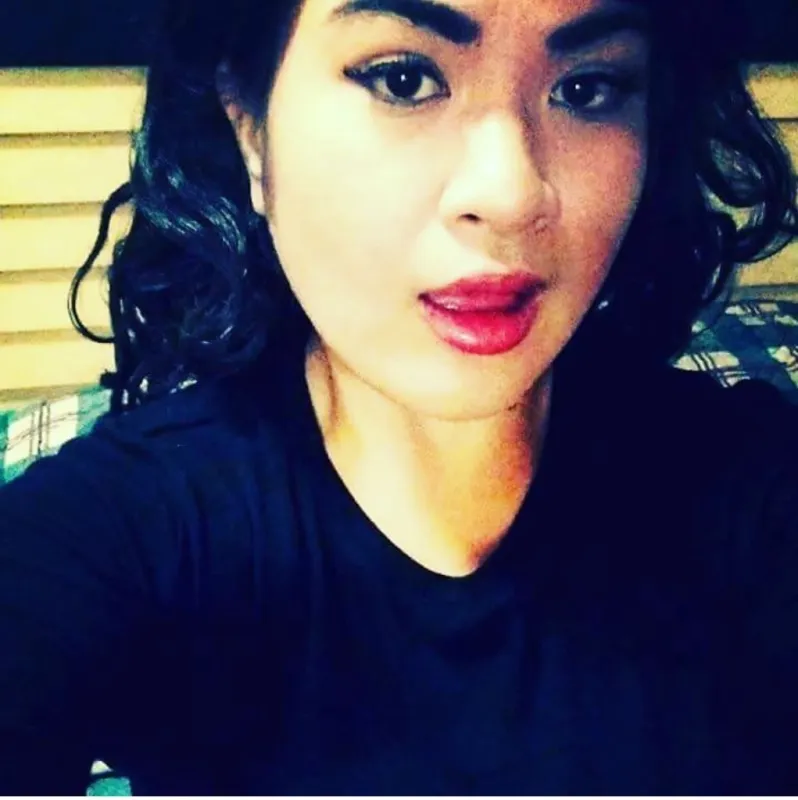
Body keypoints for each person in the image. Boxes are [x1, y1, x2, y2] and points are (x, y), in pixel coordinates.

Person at [2, 0, 798, 793]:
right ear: (251, 130)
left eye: (587, 89)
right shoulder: (121, 532)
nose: (511, 193)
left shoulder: (747, 486)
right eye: (404, 79)